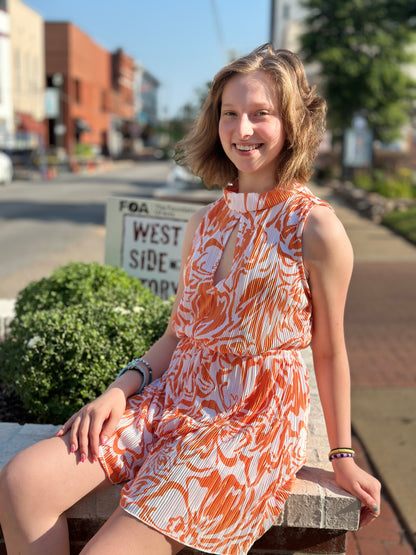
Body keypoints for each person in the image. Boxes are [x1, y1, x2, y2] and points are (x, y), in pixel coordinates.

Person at [0, 44, 381, 555]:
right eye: (230, 113)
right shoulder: (204, 223)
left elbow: (330, 350)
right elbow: (180, 333)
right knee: (22, 482)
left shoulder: (316, 228)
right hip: (172, 401)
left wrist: (342, 456)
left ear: (291, 122)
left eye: (260, 114)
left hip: (250, 423)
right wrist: (118, 392)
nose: (241, 129)